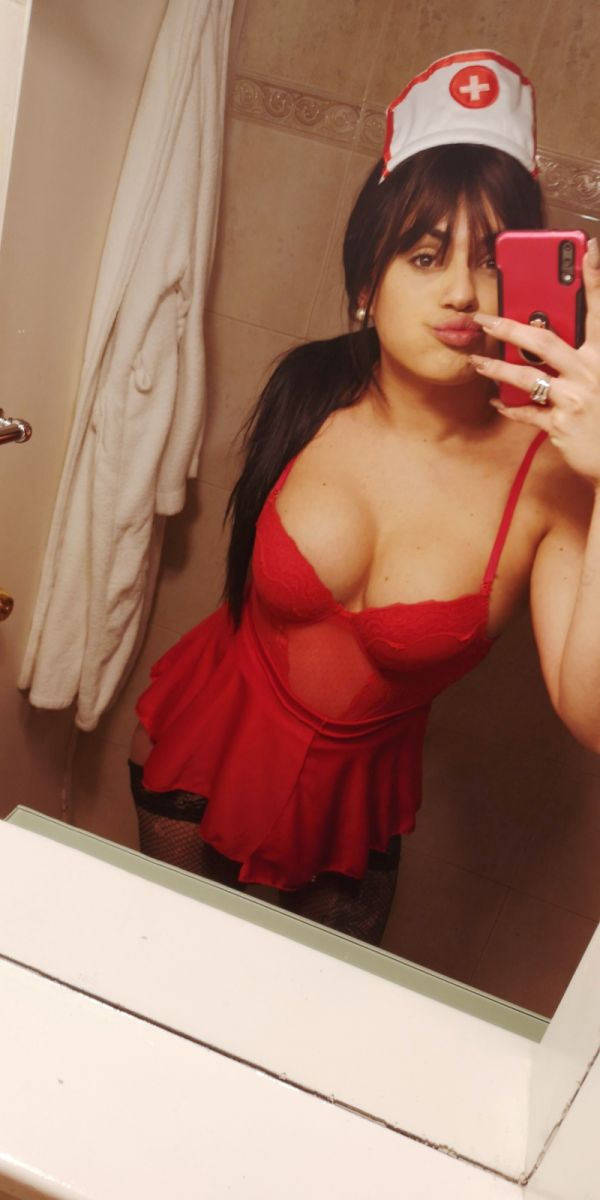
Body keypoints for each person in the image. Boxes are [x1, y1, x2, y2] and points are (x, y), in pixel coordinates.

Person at [129, 50, 600, 945]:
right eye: (425, 255)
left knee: (295, 1009)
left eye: (493, 261)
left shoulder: (553, 473)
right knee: (159, 958)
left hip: (351, 821)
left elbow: (593, 715)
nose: (462, 291)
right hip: (199, 750)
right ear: (365, 282)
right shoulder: (310, 386)